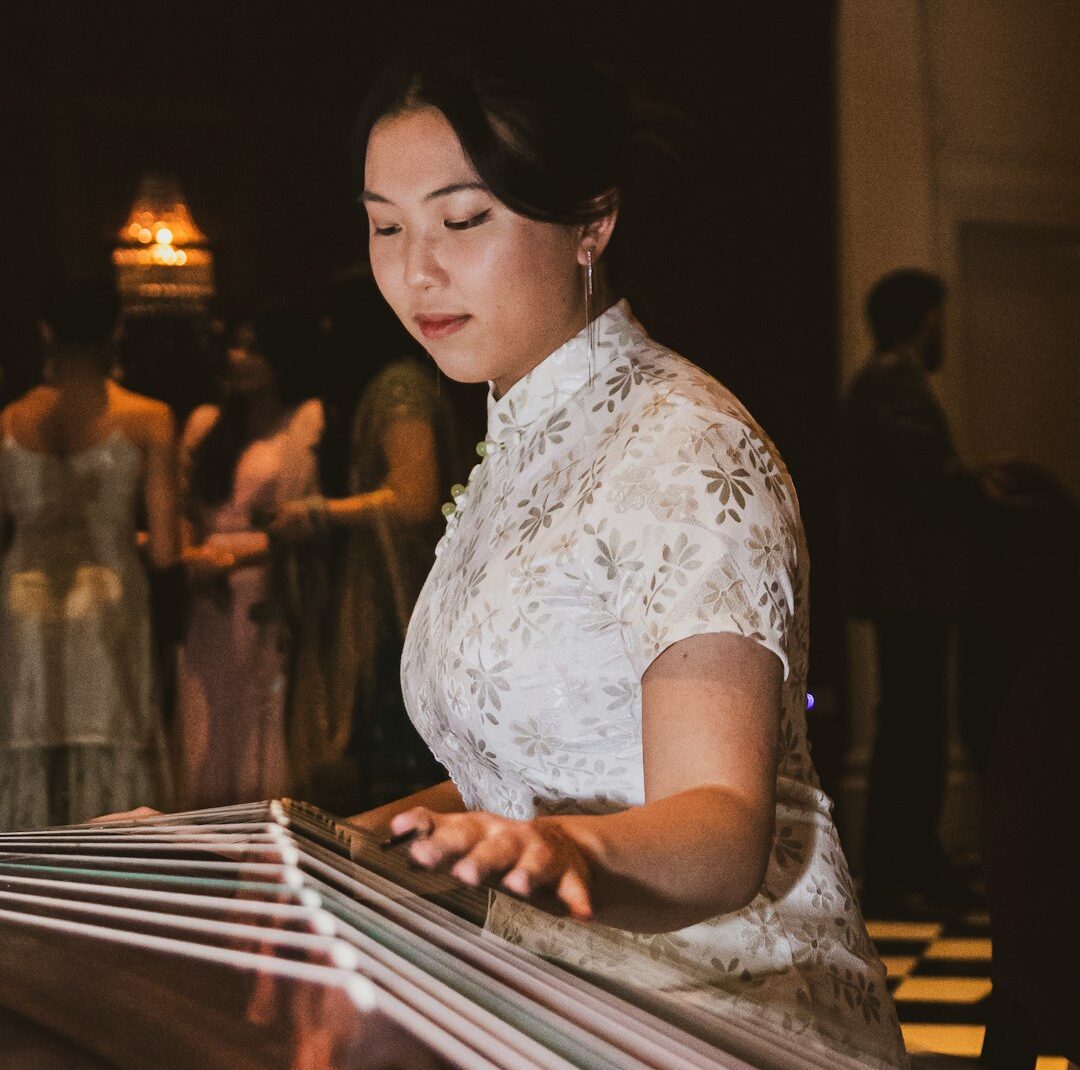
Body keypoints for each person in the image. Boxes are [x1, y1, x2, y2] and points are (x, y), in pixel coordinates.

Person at [343, 35, 907, 1069]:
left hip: (712, 1004)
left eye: (463, 220)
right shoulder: (522, 441)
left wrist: (562, 848)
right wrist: (301, 846)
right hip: (539, 993)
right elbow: (513, 789)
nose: (416, 269)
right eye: (386, 227)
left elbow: (724, 827)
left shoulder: (682, 443)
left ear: (591, 221)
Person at [0, 275, 179, 828]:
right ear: (116, 329)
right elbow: (167, 547)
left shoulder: (9, 422)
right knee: (115, 741)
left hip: (23, 593)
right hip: (109, 597)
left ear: (46, 331)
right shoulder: (148, 418)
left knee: (28, 742)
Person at [273, 293, 455, 812]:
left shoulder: (399, 387)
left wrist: (317, 514)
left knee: (403, 767)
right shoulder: (392, 384)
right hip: (385, 597)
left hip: (403, 600)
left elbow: (416, 497)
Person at [841, 270, 979, 918]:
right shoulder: (892, 378)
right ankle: (903, 867)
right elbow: (925, 474)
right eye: (937, 320)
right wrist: (981, 486)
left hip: (906, 584)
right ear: (920, 319)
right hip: (911, 585)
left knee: (910, 723)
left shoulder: (885, 378)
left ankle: (908, 863)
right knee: (912, 725)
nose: (941, 333)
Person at [175, 306, 323, 809]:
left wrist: (232, 562)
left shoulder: (300, 423)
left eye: (253, 347)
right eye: (236, 345)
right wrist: (191, 557)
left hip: (261, 577)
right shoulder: (206, 423)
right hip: (203, 584)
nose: (239, 358)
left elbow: (296, 524)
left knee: (258, 704)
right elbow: (178, 509)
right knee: (205, 712)